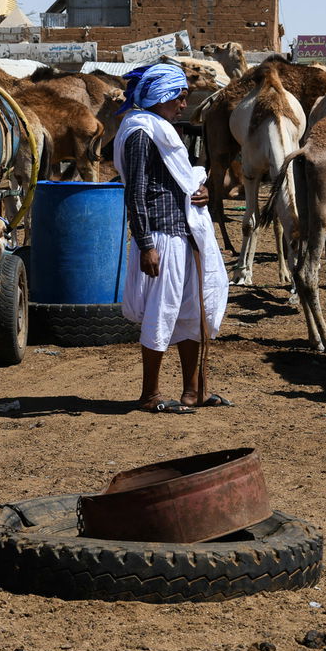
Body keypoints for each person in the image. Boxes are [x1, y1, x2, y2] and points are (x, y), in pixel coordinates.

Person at [112, 63, 230, 411]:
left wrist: (204, 191)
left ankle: (195, 391)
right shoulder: (139, 132)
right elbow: (135, 192)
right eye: (179, 98)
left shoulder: (164, 130)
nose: (183, 105)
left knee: (193, 313)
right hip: (162, 237)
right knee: (160, 314)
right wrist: (146, 244)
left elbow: (184, 179)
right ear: (161, 96)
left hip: (187, 233)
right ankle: (150, 396)